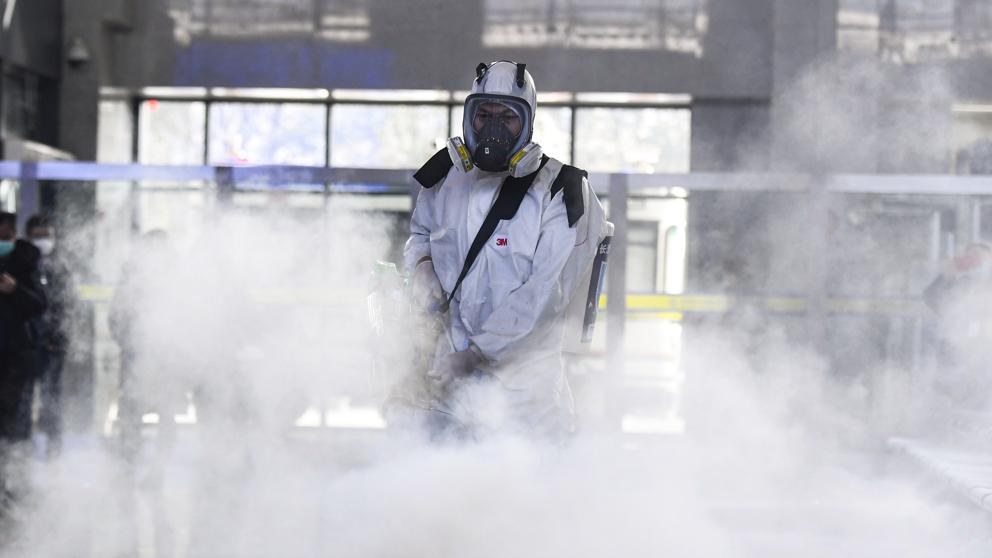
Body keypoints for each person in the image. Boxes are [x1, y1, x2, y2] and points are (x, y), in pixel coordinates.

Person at [400, 61, 610, 440]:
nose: (493, 128)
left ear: (528, 123)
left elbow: (546, 293)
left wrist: (476, 353)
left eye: (507, 117)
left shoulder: (561, 192)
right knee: (438, 490)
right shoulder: (444, 180)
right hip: (449, 392)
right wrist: (423, 265)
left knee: (523, 493)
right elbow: (418, 235)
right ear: (469, 117)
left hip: (527, 402)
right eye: (484, 115)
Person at [0, 212, 45, 496]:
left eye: (5, 234)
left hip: (13, 357)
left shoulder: (23, 262)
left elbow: (39, 304)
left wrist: (14, 290)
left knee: (10, 421)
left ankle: (8, 483)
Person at [23, 215, 75, 458]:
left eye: (47, 235)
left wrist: (60, 338)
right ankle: (21, 451)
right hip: (24, 345)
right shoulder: (21, 266)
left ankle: (54, 452)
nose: (43, 241)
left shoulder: (61, 268)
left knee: (52, 400)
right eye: (38, 235)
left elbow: (68, 306)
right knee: (23, 400)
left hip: (52, 346)